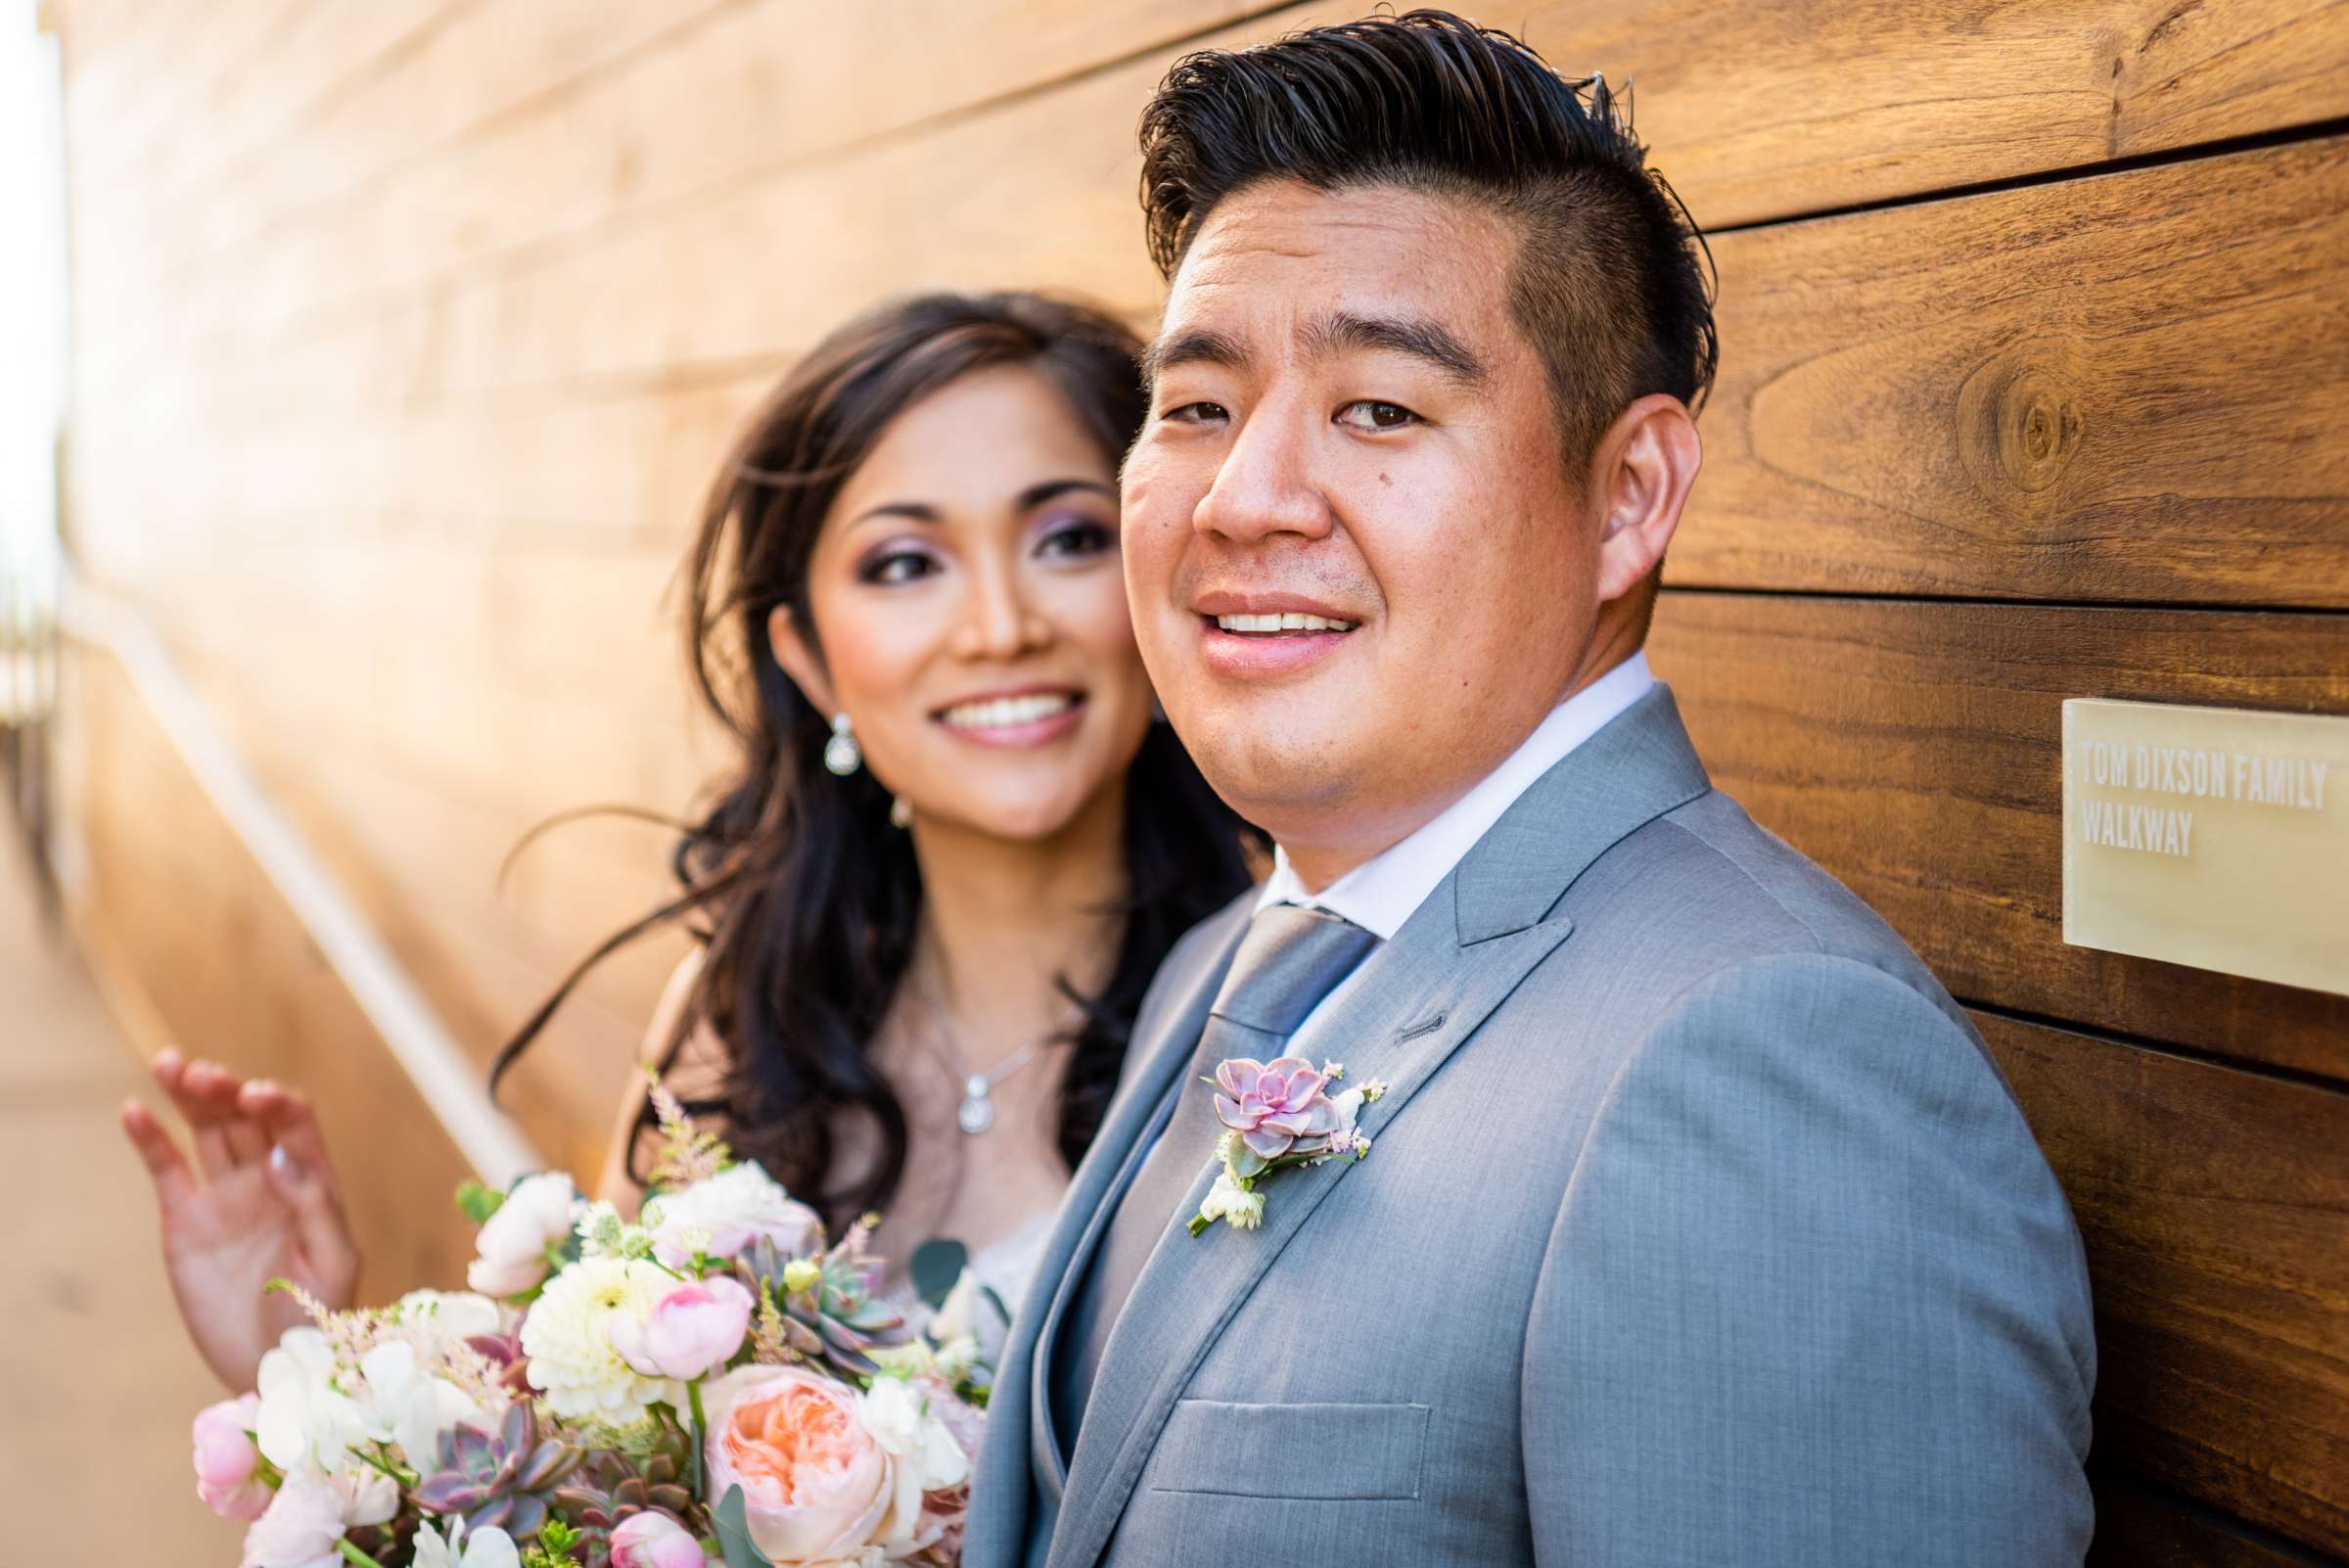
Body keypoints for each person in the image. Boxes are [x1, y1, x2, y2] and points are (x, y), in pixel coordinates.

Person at [967, 14, 2096, 1568]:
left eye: (1380, 408)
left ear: (1629, 494)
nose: (1241, 502)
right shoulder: (1223, 971)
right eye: (1198, 407)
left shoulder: (1761, 1066)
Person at [119, 291, 1263, 1395]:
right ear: (811, 664)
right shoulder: (741, 1017)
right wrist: (319, 1358)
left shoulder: (1280, 1026)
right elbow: (603, 1465)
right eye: (906, 564)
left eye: (1066, 540)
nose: (1002, 628)